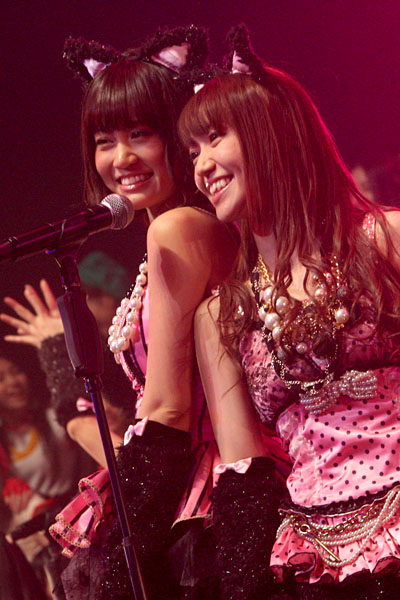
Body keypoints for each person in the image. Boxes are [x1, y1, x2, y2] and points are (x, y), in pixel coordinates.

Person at [3, 26, 239, 599]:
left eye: (140, 134)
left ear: (178, 134)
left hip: (201, 498)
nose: (121, 158)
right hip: (187, 483)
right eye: (104, 140)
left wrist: (123, 550)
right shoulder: (179, 232)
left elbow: (168, 413)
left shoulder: (178, 230)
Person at [178, 24, 400, 600]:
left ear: (271, 129)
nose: (202, 166)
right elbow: (244, 478)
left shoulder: (385, 241)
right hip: (312, 564)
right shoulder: (220, 315)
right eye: (193, 151)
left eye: (215, 138)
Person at [0, 350, 89, 598]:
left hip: (72, 518)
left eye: (16, 372)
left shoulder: (56, 419)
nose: (13, 382)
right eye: (1, 379)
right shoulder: (3, 440)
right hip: (30, 538)